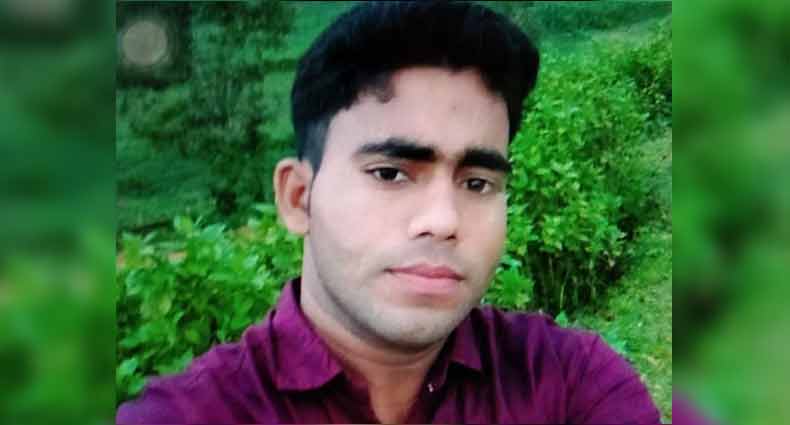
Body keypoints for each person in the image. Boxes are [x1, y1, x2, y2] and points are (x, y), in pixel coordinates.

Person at [117, 2, 661, 424]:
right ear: (299, 198)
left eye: (477, 182)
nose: (444, 220)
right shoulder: (189, 415)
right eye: (390, 174)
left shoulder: (568, 384)